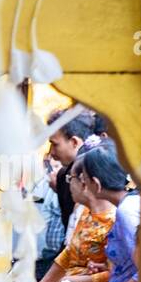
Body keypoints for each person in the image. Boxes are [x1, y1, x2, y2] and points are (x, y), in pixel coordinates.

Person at [25, 155, 116, 282]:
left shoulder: (114, 220)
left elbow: (122, 274)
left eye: (70, 179)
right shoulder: (85, 212)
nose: (68, 185)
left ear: (86, 183)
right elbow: (69, 254)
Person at [66, 145, 141, 282]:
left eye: (84, 179)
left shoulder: (126, 212)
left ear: (96, 184)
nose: (83, 185)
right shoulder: (130, 204)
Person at [46, 108, 106, 252]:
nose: (51, 152)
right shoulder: (62, 176)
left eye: (55, 144)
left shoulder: (99, 174)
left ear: (74, 142)